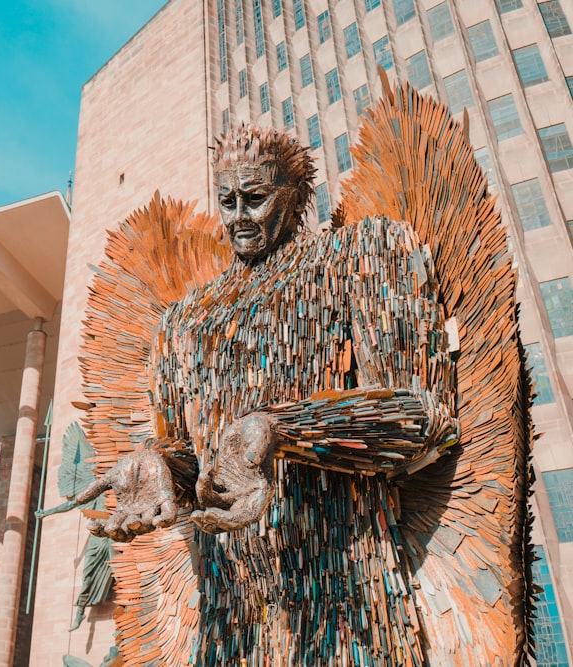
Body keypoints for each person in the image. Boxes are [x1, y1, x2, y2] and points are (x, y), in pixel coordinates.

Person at [75, 123, 461, 665]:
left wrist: (282, 430)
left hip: (347, 602)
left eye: (255, 199)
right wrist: (160, 465)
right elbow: (190, 453)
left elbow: (426, 416)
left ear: (295, 193)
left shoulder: (358, 257)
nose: (238, 217)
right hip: (229, 619)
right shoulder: (182, 322)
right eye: (227, 200)